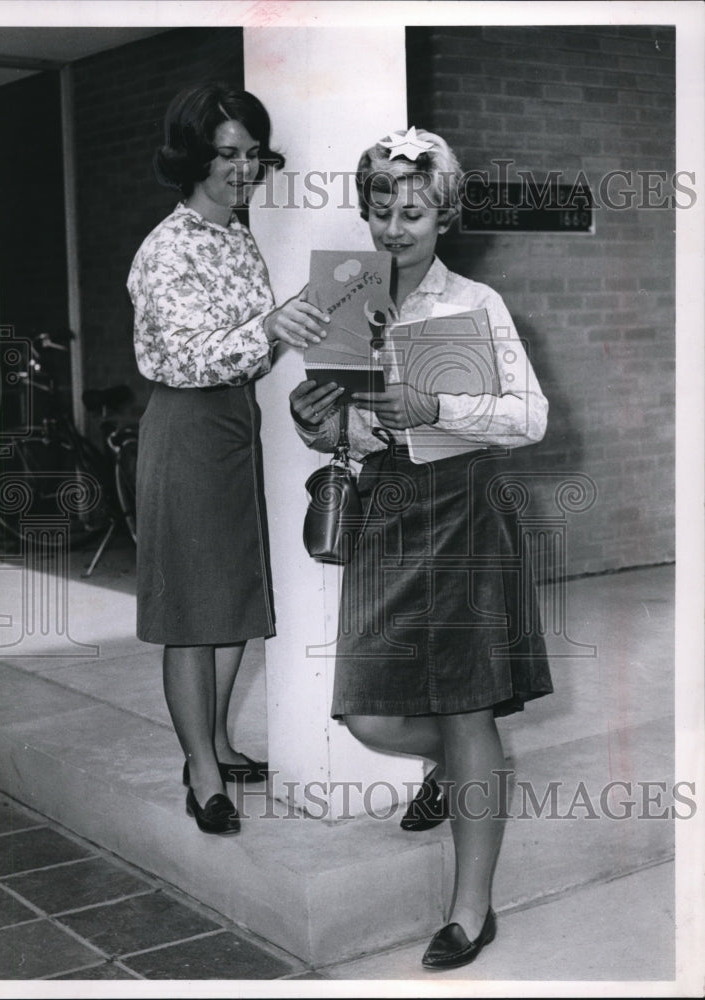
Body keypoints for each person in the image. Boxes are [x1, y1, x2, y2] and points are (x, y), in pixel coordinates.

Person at [289, 127, 553, 968]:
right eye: (381, 209)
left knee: (469, 707)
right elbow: (337, 421)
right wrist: (318, 419)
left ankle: (470, 910)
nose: (394, 227)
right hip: (386, 513)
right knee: (368, 712)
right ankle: (468, 770)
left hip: (466, 514)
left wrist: (436, 410)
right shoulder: (343, 298)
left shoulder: (476, 304)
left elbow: (530, 419)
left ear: (443, 215)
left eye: (413, 211)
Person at [127, 84, 328, 836]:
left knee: (232, 599)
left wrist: (303, 313)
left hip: (233, 424)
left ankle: (216, 742)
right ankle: (201, 775)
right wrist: (270, 326)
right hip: (185, 425)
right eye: (228, 155)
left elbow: (252, 341)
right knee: (192, 613)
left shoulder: (236, 237)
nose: (244, 171)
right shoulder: (167, 247)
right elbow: (180, 359)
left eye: (253, 156)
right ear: (193, 157)